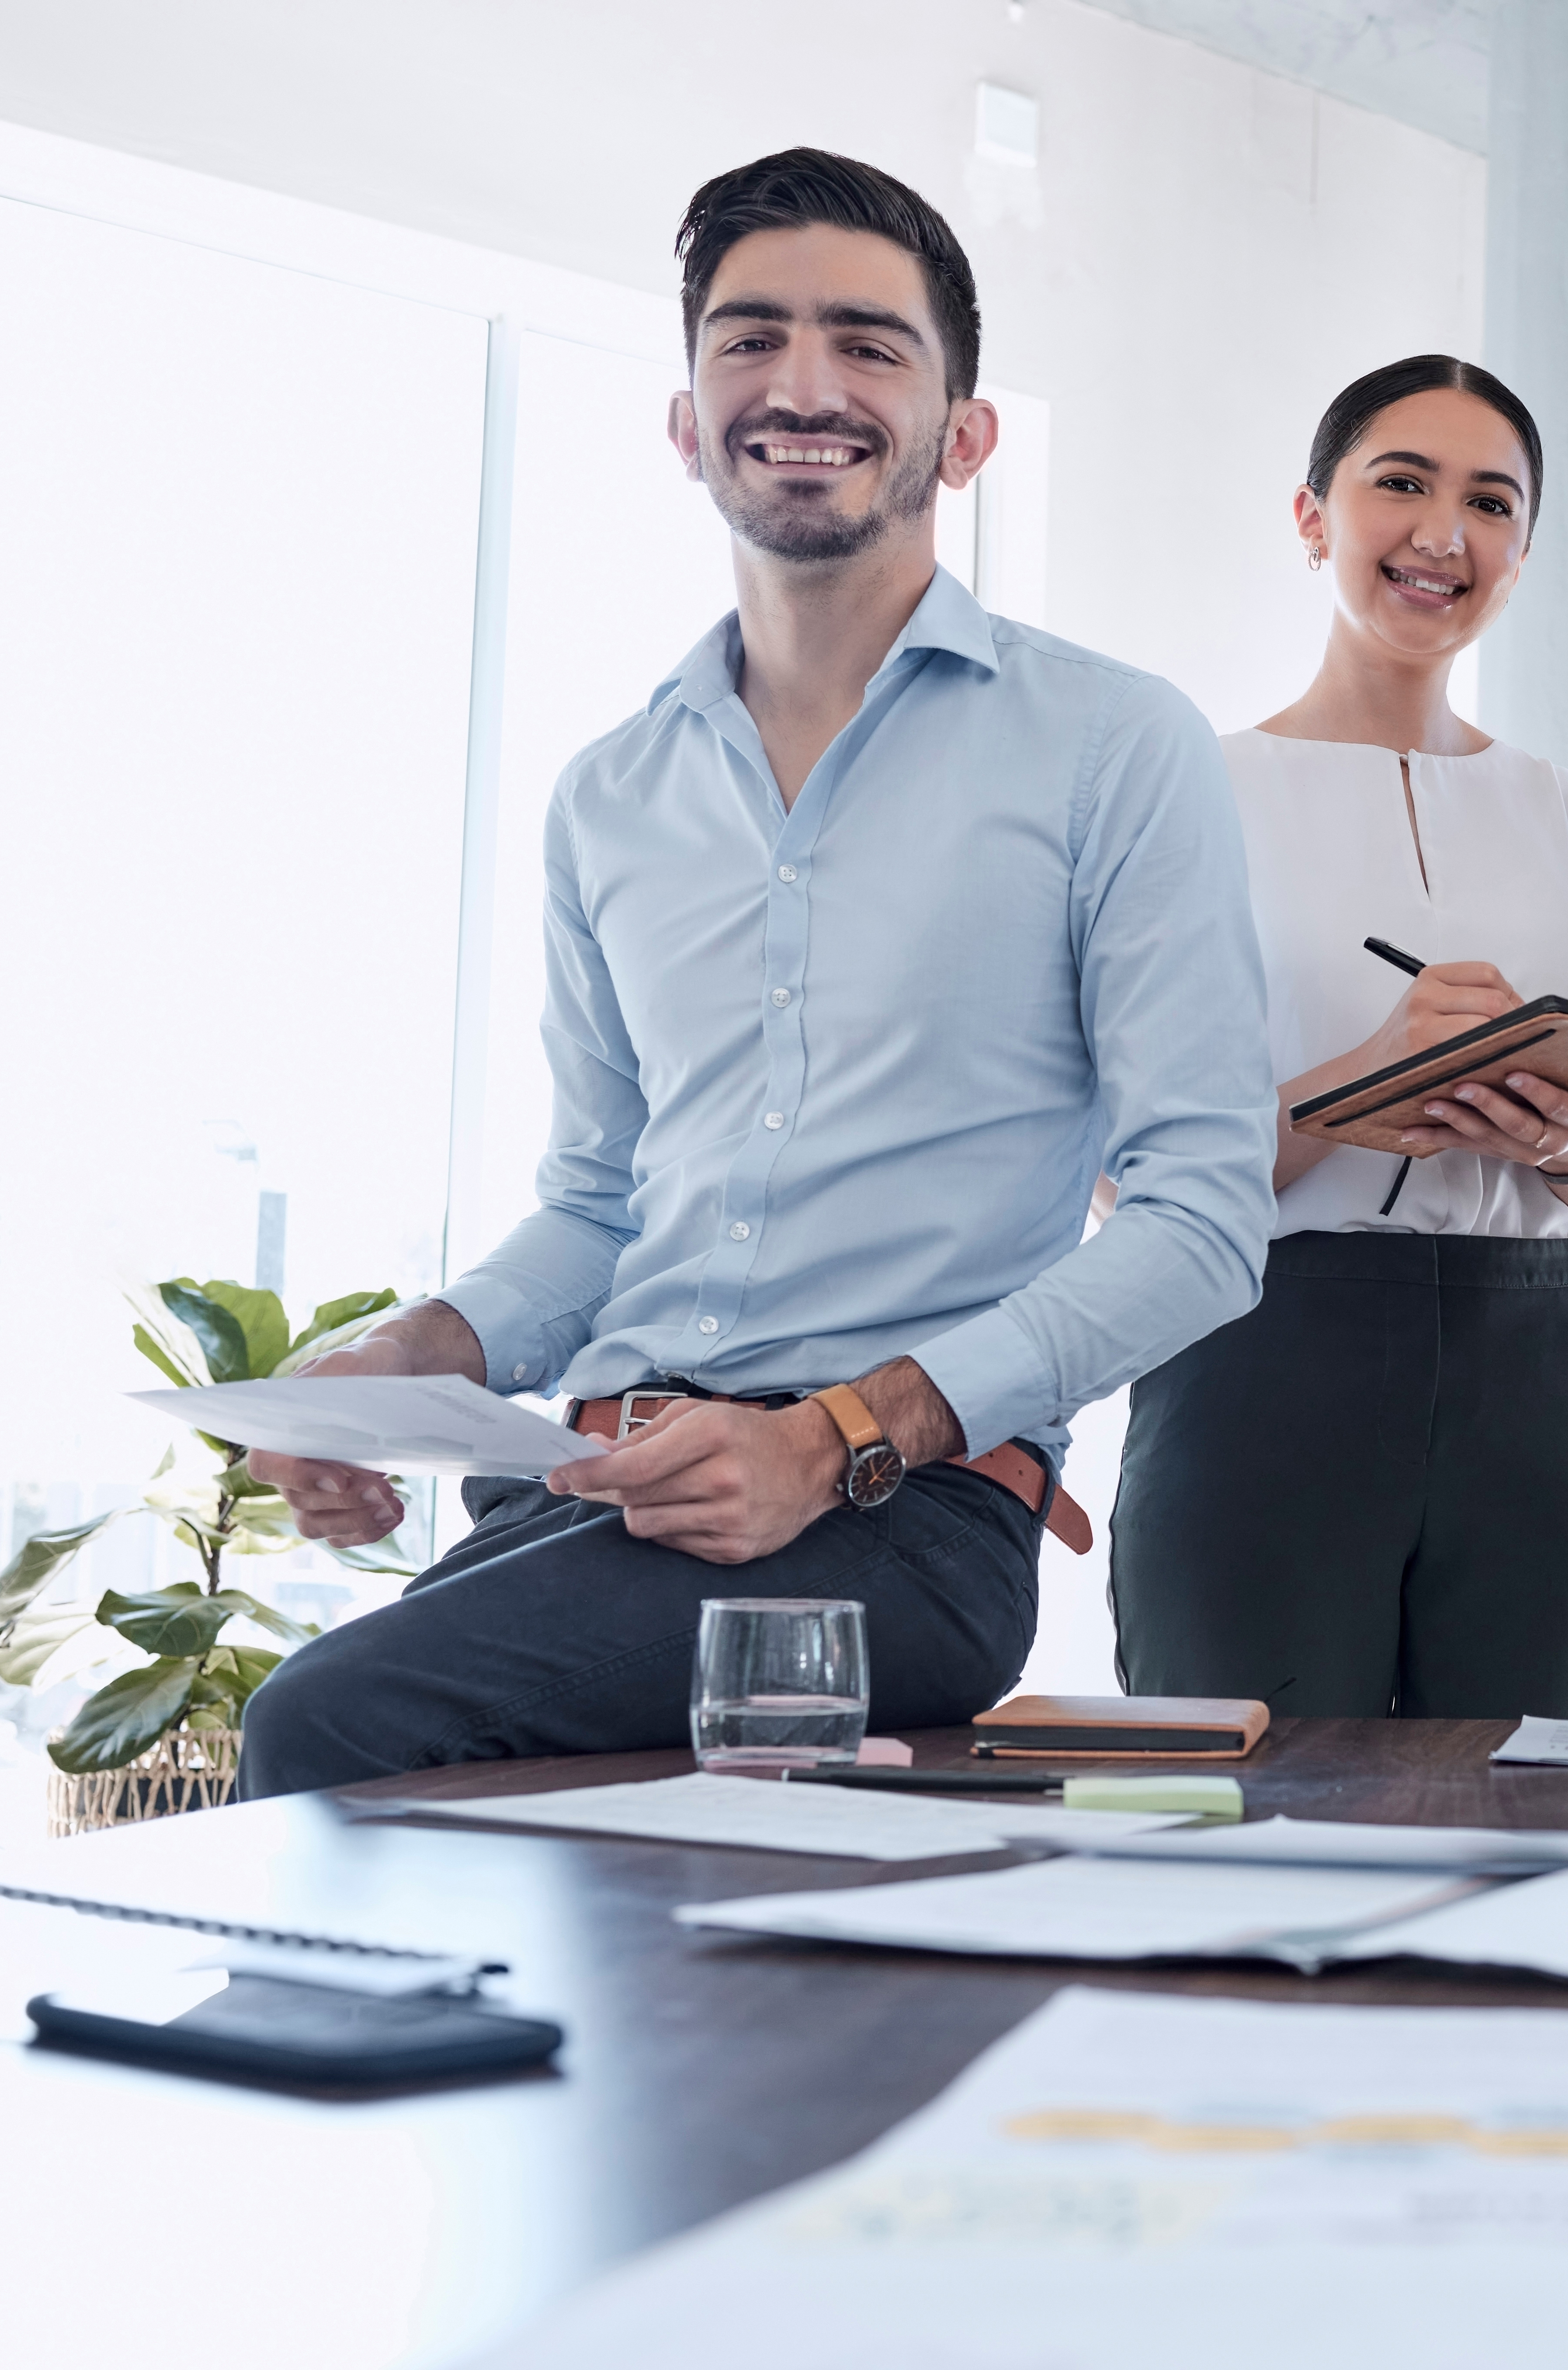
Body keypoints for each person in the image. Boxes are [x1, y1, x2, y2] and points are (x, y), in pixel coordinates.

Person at [232, 151, 1276, 1794]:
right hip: (591, 1491)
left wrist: (841, 1435)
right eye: (751, 338)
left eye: (869, 344)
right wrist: (409, 1358)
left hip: (903, 1518)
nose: (804, 385)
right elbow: (598, 1204)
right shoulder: (610, 792)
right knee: (394, 1773)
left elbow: (1206, 1223)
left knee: (334, 1723)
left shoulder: (1112, 746)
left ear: (966, 429)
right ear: (686, 417)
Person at [1107, 356, 1568, 1719]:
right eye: (1400, 484)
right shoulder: (1189, 796)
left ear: (1522, 554)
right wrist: (1365, 1080)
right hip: (1263, 1355)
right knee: (1253, 1819)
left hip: (1545, 1368)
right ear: (1313, 517)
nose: (1443, 534)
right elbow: (1134, 1185)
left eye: (1491, 502)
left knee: (1531, 1825)